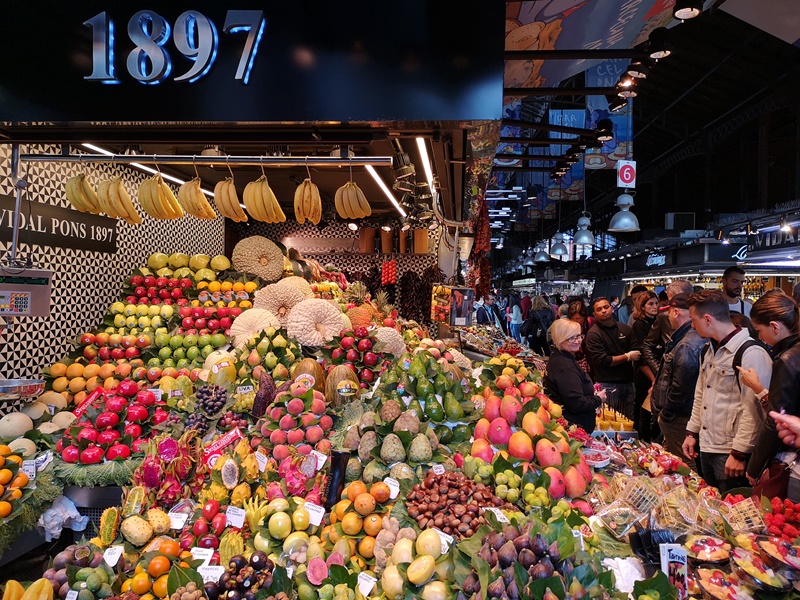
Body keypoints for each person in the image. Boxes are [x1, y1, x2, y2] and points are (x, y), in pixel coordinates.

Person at [681, 290, 772, 494]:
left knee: (734, 512)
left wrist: (740, 453)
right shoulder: (709, 349)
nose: (692, 325)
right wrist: (692, 432)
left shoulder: (751, 353)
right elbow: (701, 394)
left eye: (693, 320)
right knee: (710, 507)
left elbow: (754, 410)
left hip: (730, 451)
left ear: (707, 319)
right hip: (707, 445)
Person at [735, 292, 800, 497]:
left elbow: (775, 418)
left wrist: (754, 468)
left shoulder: (787, 359)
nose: (760, 338)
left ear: (775, 326)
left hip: (791, 458)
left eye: (760, 331)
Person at [651, 294, 708, 470]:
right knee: (671, 460)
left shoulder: (687, 344)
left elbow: (681, 387)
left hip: (679, 417)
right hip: (685, 415)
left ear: (675, 312)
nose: (668, 317)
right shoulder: (691, 339)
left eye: (668, 313)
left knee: (683, 466)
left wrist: (665, 415)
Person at [544, 318, 606, 433]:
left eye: (578, 336)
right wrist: (598, 399)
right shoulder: (564, 366)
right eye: (571, 338)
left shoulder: (560, 357)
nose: (577, 341)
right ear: (560, 339)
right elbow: (576, 403)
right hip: (573, 429)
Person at [585, 297, 639, 419]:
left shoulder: (625, 329)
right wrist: (626, 357)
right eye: (599, 309)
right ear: (594, 314)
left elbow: (636, 352)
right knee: (608, 421)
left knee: (628, 421)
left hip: (628, 383)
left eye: (606, 307)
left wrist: (628, 356)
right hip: (606, 384)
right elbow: (603, 361)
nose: (604, 311)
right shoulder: (593, 334)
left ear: (612, 308)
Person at [630, 290, 659, 441]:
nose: (655, 307)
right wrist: (654, 378)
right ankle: (643, 440)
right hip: (645, 372)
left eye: (656, 303)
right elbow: (642, 355)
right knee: (643, 408)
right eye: (651, 304)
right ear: (642, 306)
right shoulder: (639, 325)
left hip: (656, 371)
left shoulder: (657, 322)